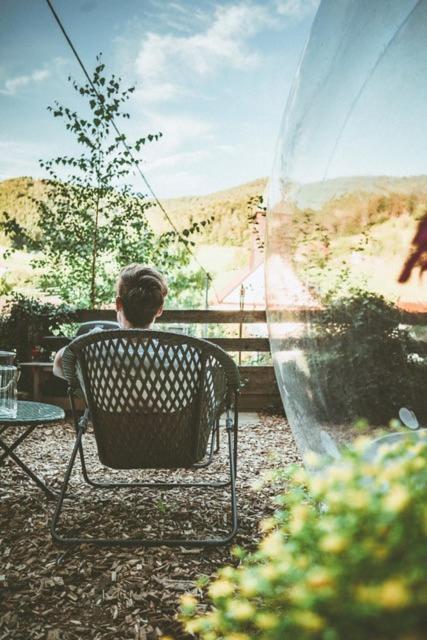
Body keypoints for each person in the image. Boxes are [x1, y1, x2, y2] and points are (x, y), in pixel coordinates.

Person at [53, 264, 168, 380]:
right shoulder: (177, 353)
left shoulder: (93, 344)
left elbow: (58, 365)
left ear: (118, 304)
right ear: (159, 310)